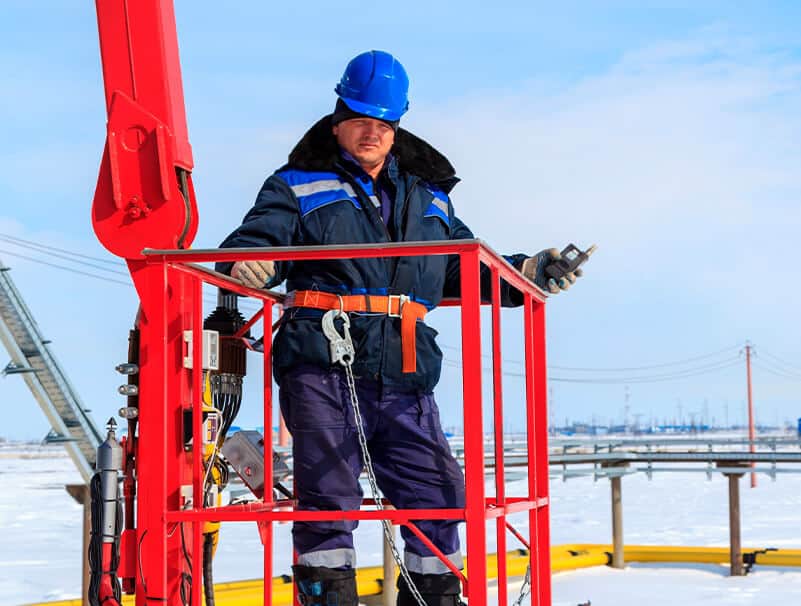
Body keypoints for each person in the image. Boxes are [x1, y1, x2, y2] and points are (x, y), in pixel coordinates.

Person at [217, 50, 581, 606]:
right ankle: (326, 598)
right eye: (361, 120)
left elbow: (462, 265)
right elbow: (257, 238)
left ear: (397, 125)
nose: (371, 133)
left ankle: (433, 598)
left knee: (435, 490)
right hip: (323, 358)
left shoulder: (428, 195)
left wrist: (525, 273)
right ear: (339, 119)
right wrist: (249, 260)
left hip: (404, 363)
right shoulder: (297, 183)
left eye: (382, 124)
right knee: (329, 492)